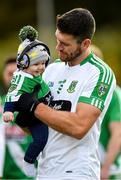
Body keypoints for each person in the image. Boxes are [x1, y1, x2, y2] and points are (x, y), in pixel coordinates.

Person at [16, 8, 116, 180]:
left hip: (77, 172)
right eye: (57, 39)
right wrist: (22, 114)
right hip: (45, 171)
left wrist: (35, 107)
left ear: (85, 44)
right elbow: (35, 126)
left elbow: (79, 127)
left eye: (65, 44)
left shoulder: (99, 73)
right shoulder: (50, 69)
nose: (57, 47)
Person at [3, 25, 51, 177]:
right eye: (36, 64)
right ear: (24, 63)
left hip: (41, 111)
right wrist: (8, 110)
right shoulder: (21, 78)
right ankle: (29, 160)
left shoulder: (35, 75)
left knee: (44, 140)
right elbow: (12, 93)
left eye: (43, 63)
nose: (41, 67)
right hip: (32, 116)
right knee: (41, 139)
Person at [0, 57, 34, 179]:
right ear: (3, 76)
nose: (13, 78)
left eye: (17, 73)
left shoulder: (37, 105)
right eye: (9, 74)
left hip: (34, 175)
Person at [91, 45, 121, 179]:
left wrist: (106, 168)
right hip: (89, 166)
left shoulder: (113, 93)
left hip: (107, 169)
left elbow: (118, 134)